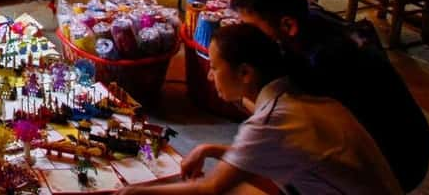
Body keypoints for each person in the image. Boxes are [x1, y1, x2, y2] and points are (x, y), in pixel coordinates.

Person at [118, 23, 401, 195]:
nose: (208, 76)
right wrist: (210, 149)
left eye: (214, 68)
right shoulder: (300, 95)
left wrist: (135, 192)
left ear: (245, 73)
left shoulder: (273, 121)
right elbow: (272, 153)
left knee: (230, 189)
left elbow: (212, 188)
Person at [229, 0, 429, 192]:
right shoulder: (309, 21)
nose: (245, 38)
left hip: (397, 159)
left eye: (251, 30)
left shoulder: (322, 62)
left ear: (287, 26)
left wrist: (237, 92)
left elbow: (276, 121)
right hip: (410, 142)